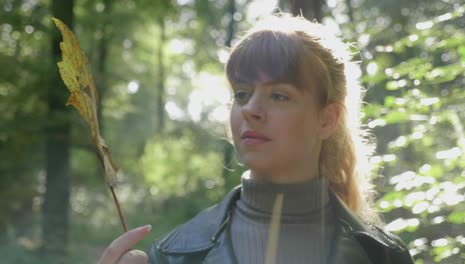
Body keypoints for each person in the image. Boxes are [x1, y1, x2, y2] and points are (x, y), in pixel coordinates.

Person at [98, 14, 414, 264]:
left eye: (279, 95)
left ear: (327, 119)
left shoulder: (383, 256)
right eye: (242, 94)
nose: (251, 109)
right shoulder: (175, 254)